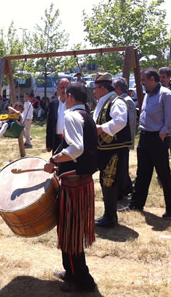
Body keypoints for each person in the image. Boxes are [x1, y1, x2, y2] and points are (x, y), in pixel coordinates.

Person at [44, 82, 98, 293]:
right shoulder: (87, 116)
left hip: (74, 185)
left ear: (71, 96)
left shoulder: (72, 116)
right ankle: (72, 271)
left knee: (70, 232)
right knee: (71, 232)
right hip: (82, 182)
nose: (64, 100)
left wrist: (54, 160)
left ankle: (81, 280)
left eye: (65, 96)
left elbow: (76, 148)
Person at [124, 69, 171, 217]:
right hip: (145, 136)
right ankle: (136, 204)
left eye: (144, 80)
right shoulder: (148, 94)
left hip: (157, 138)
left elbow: (170, 119)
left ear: (153, 80)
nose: (142, 83)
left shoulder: (166, 94)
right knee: (142, 173)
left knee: (164, 173)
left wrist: (162, 135)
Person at [92, 73, 131, 228]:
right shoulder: (104, 101)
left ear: (102, 88)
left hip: (114, 149)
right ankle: (108, 215)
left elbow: (121, 121)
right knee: (105, 181)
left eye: (95, 88)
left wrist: (102, 128)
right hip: (104, 148)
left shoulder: (116, 101)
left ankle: (110, 217)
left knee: (109, 181)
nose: (94, 91)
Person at [112, 77, 136, 198]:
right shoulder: (118, 100)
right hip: (117, 139)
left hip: (124, 140)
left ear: (119, 88)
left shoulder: (127, 101)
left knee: (122, 165)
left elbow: (130, 120)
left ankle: (123, 189)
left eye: (114, 87)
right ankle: (126, 187)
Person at [46, 78, 70, 154]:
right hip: (56, 140)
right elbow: (49, 124)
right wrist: (48, 143)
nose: (65, 90)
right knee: (56, 163)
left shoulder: (74, 103)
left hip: (70, 140)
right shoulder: (53, 104)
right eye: (62, 87)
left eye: (67, 87)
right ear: (57, 89)